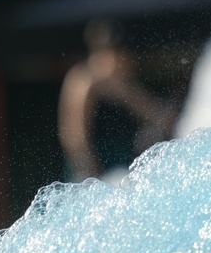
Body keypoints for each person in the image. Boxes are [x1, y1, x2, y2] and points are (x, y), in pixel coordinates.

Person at [57, 19, 175, 184]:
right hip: (91, 170)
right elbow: (74, 135)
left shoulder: (122, 84)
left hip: (119, 166)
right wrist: (88, 170)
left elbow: (161, 117)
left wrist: (126, 94)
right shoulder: (83, 81)